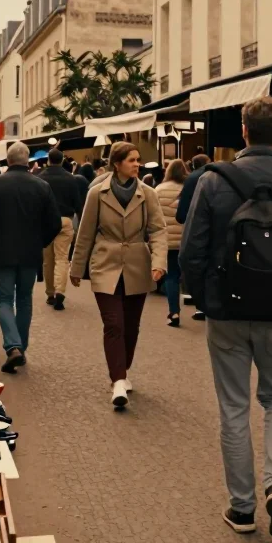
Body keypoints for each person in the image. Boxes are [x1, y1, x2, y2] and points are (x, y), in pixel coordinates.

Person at [178, 96, 272, 540]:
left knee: (233, 407)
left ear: (243, 131)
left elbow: (192, 251)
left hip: (227, 310)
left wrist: (208, 299)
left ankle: (242, 507)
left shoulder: (213, 181)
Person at [70, 142, 167, 409]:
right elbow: (85, 233)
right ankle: (118, 381)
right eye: (132, 160)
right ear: (117, 163)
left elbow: (158, 230)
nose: (137, 164)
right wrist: (77, 268)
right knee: (113, 324)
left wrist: (159, 262)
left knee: (131, 326)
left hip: (137, 262)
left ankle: (123, 370)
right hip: (105, 262)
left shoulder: (148, 194)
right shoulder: (96, 194)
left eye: (138, 160)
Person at [0, 142, 62, 373]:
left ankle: (12, 346)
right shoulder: (42, 186)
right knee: (24, 300)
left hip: (2, 252)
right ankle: (20, 347)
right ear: (27, 161)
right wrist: (40, 242)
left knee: (4, 299)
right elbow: (55, 223)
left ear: (8, 159)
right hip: (30, 253)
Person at [37, 149, 83, 310]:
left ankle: (50, 293)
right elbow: (78, 204)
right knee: (62, 258)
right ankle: (60, 291)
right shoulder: (70, 179)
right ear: (63, 159)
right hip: (65, 220)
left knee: (48, 260)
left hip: (46, 222)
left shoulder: (40, 178)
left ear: (48, 160)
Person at [174, 152, 212, 320]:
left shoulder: (190, 179)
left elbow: (181, 213)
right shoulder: (216, 176)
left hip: (194, 227)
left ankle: (199, 303)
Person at [155, 159, 188, 327]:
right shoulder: (187, 189)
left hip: (166, 239)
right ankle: (200, 309)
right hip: (186, 239)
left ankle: (174, 312)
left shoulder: (158, 190)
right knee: (188, 274)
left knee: (171, 276)